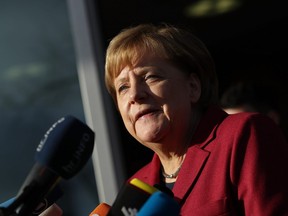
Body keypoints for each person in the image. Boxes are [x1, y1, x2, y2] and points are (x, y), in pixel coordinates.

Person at [105, 23, 288, 215]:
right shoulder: (136, 188)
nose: (135, 94)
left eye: (150, 77)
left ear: (193, 87)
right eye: (123, 87)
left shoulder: (243, 135)